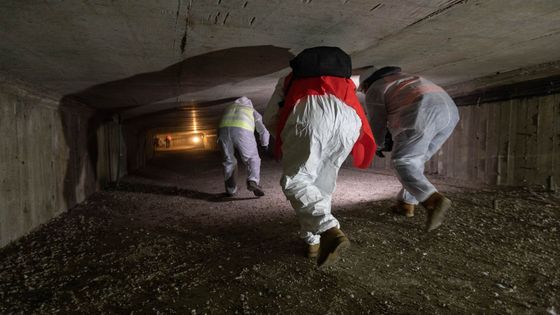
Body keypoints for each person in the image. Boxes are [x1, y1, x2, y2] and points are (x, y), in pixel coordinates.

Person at [264, 47, 376, 267]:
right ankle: (312, 243)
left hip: (310, 114)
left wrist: (288, 140)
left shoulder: (289, 79)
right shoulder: (345, 81)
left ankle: (328, 230)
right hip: (349, 119)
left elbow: (270, 117)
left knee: (297, 180)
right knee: (321, 185)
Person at [359, 66, 460, 231]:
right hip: (450, 114)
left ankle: (432, 200)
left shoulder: (376, 88)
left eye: (363, 89)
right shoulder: (407, 79)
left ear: (367, 82)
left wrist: (376, 145)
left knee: (403, 162)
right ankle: (407, 203)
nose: (364, 92)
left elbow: (377, 122)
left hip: (421, 113)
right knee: (415, 161)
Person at [218, 96, 270, 197]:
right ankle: (253, 181)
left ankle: (230, 190)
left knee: (228, 161)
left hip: (223, 132)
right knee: (252, 158)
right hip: (242, 131)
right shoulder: (251, 110)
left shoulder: (228, 108)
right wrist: (265, 144)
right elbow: (263, 128)